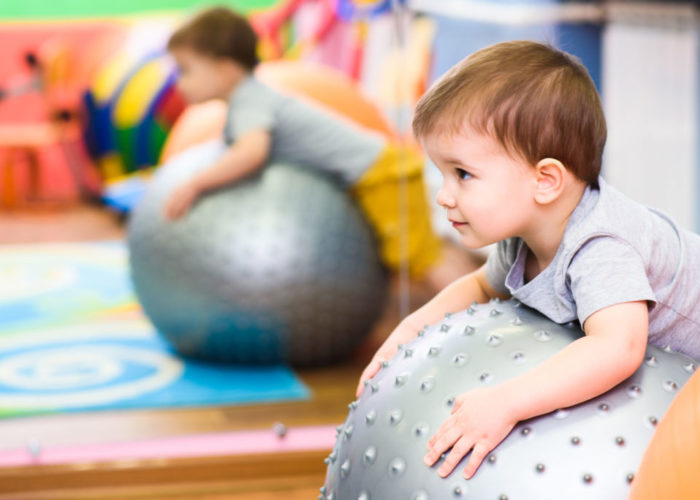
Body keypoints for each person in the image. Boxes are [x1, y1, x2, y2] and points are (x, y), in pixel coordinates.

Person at [356, 40, 700, 480]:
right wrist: (406, 334)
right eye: (442, 174)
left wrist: (506, 402)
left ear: (545, 181)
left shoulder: (600, 246)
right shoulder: (525, 236)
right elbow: (481, 286)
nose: (443, 196)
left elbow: (618, 347)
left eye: (463, 174)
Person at [163, 6, 477, 288]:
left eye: (185, 70)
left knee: (419, 260)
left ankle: (475, 313)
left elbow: (250, 153)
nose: (178, 83)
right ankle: (479, 298)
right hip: (384, 166)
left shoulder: (249, 102)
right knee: (426, 252)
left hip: (380, 174)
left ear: (224, 70)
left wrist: (195, 184)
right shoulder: (251, 98)